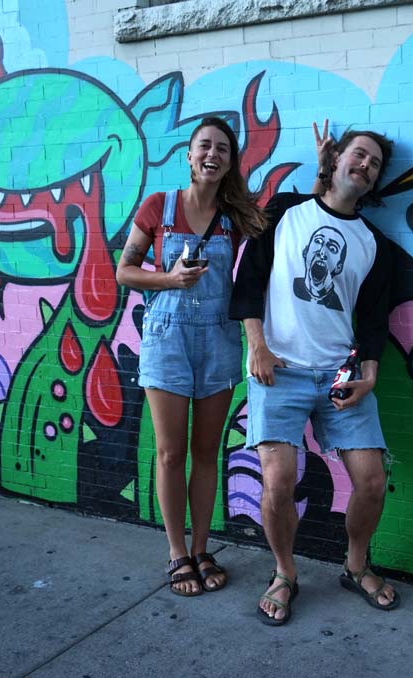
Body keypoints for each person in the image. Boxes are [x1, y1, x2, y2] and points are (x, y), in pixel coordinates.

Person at [230, 120, 400, 625]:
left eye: (374, 163)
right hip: (277, 369)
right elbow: (250, 280)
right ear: (336, 160)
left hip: (340, 377)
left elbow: (373, 322)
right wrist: (256, 346)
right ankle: (285, 574)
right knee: (278, 480)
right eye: (359, 154)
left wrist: (369, 375)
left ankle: (354, 565)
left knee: (371, 480)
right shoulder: (284, 211)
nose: (365, 165)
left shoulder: (376, 245)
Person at [116, 117, 266, 597]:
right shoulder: (159, 208)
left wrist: (326, 171)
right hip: (167, 341)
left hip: (218, 343)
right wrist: (169, 279)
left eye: (223, 148)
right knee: (170, 452)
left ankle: (203, 548)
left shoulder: (235, 218)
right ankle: (177, 552)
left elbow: (282, 227)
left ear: (230, 161)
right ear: (188, 153)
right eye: (205, 145)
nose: (213, 154)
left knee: (206, 453)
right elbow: (125, 271)